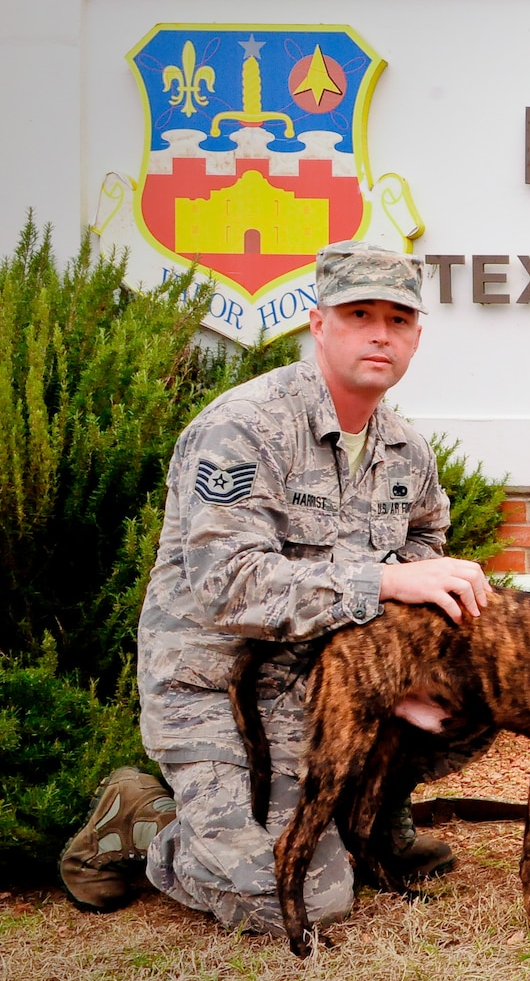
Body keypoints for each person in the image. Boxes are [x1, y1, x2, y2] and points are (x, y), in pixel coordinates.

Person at [59, 241, 495, 933]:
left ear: (416, 335)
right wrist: (385, 579)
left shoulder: (405, 450)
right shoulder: (244, 429)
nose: (381, 333)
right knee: (301, 898)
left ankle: (366, 817)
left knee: (475, 702)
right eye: (359, 314)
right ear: (319, 324)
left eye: (399, 319)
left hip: (326, 684)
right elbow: (227, 587)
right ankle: (145, 819)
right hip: (215, 691)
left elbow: (423, 544)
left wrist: (404, 671)